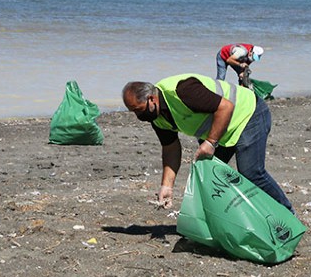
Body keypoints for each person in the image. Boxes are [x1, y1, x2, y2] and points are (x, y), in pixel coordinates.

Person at [122, 73, 295, 214]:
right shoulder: (157, 118)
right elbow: (170, 149)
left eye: (138, 109)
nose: (138, 116)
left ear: (152, 99)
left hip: (248, 114)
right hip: (221, 129)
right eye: (133, 111)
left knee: (251, 173)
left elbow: (226, 107)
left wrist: (211, 142)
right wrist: (167, 186)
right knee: (207, 179)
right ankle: (227, 221)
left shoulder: (182, 90)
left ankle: (288, 214)